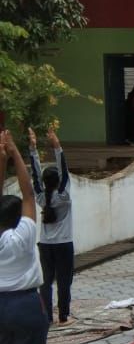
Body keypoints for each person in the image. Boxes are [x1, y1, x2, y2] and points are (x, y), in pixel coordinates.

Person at [0, 130, 47, 344]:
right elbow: (29, 193)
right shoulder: (24, 235)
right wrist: (15, 153)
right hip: (26, 305)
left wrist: (1, 158)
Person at [29, 127, 75, 325]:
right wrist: (57, 146)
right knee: (64, 281)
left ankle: (47, 316)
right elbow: (64, 171)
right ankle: (63, 316)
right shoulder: (64, 196)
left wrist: (33, 149)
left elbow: (35, 175)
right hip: (64, 244)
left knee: (46, 282)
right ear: (58, 182)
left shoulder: (41, 197)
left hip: (45, 244)